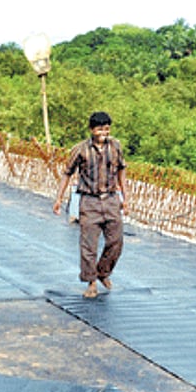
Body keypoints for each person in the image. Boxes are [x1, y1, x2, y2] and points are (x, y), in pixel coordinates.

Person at [52, 111, 128, 298]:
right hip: (89, 201)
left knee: (116, 241)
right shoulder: (80, 149)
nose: (104, 132)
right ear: (92, 130)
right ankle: (91, 281)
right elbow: (67, 173)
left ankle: (103, 272)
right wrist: (58, 198)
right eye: (101, 129)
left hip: (110, 199)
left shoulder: (116, 146)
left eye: (107, 129)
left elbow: (122, 171)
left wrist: (125, 198)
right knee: (89, 246)